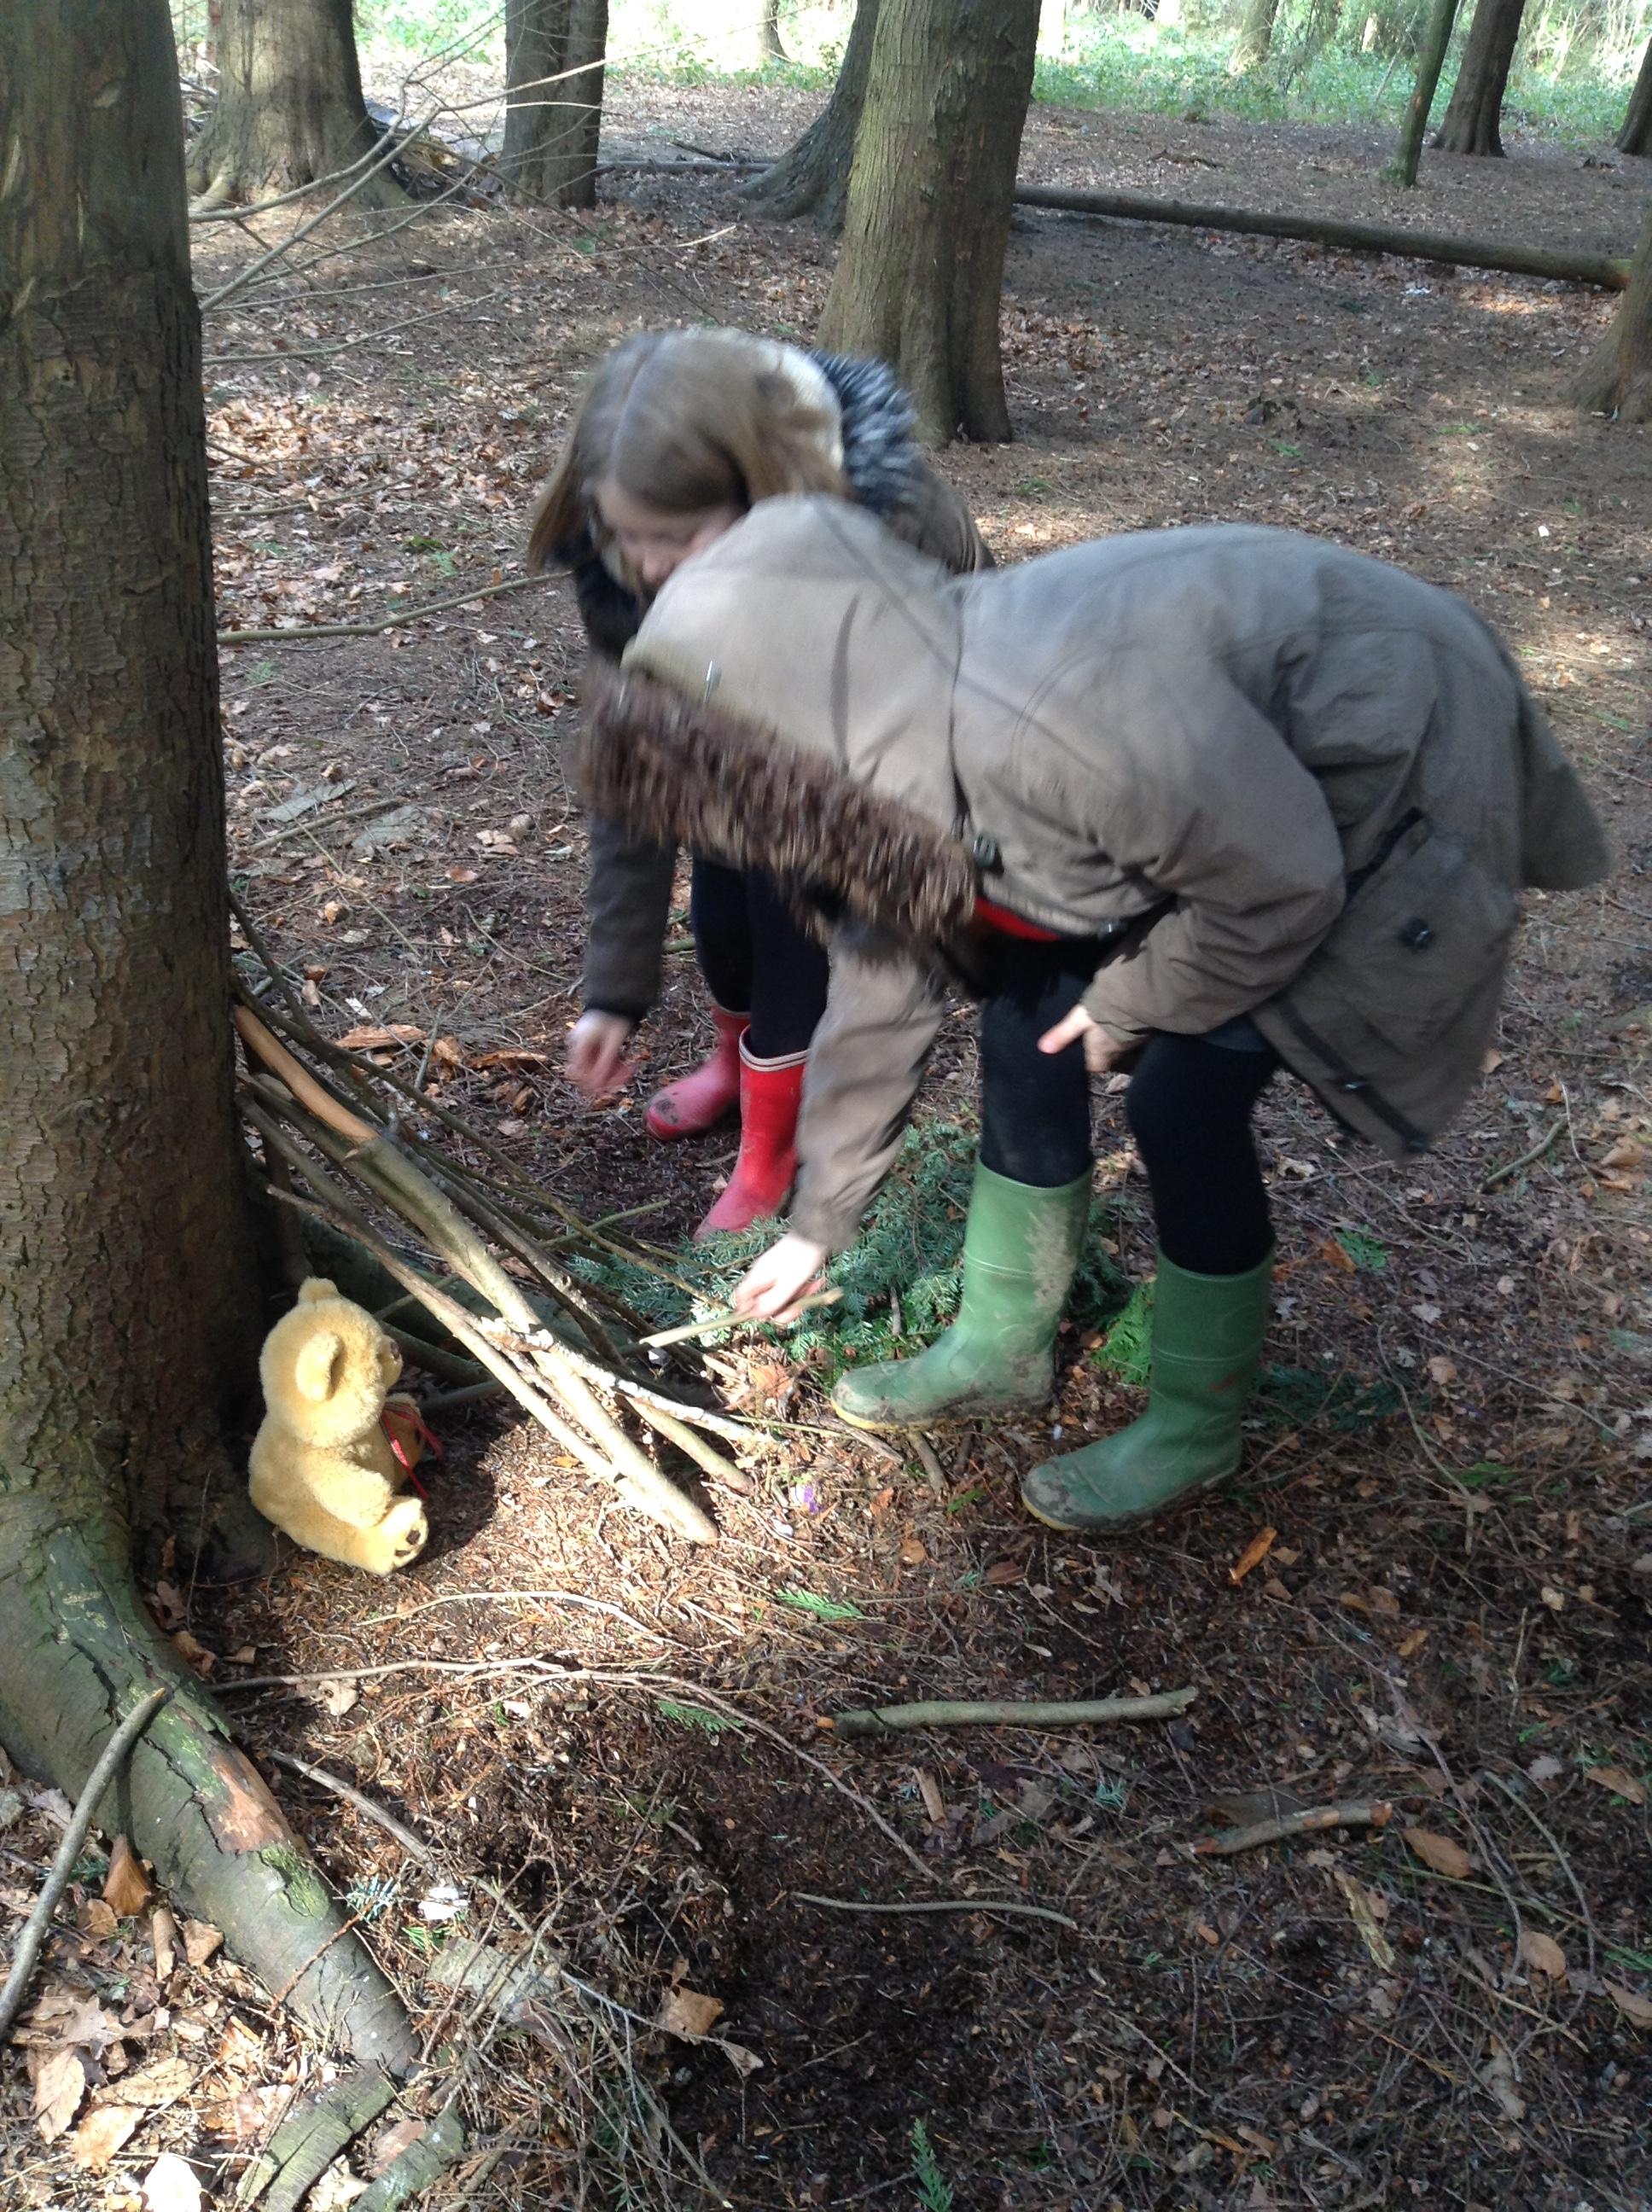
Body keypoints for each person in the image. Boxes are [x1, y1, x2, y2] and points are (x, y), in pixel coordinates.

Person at [579, 496, 1608, 1534]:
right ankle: (999, 1347)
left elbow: (1282, 886)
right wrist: (818, 1228)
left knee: (1184, 1098)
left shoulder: (1043, 721)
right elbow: (883, 986)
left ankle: (1195, 1423)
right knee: (1025, 1029)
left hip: (1383, 757)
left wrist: (1131, 1002)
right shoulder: (880, 744)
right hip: (1219, 806)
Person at [526, 328, 989, 1237]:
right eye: (625, 536)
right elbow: (635, 774)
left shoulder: (885, 531)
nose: (646, 565)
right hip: (739, 738)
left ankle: (771, 1149)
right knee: (722, 915)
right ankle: (734, 1069)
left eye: (673, 540)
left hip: (865, 759)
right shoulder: (619, 562)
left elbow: (958, 698)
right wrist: (613, 989)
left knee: (789, 925)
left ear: (762, 493)